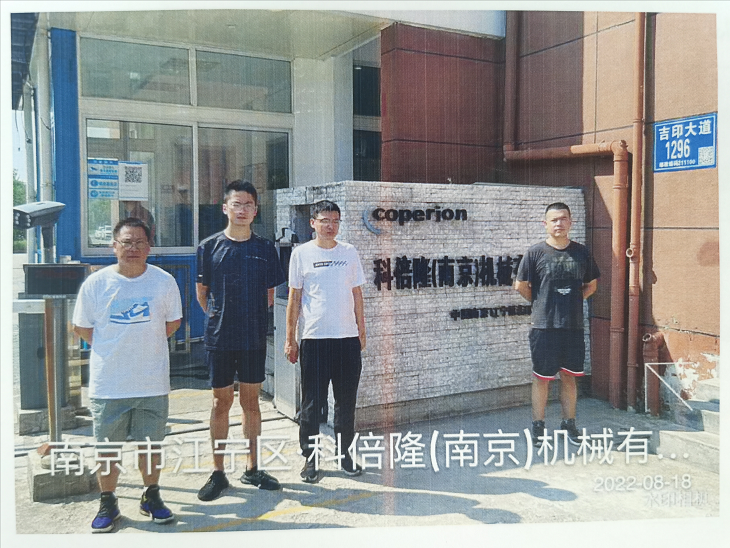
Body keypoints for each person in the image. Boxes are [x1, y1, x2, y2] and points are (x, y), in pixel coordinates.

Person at [72, 218, 183, 533]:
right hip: (109, 384)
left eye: (139, 242)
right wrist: (114, 348)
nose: (133, 248)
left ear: (149, 247)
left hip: (152, 382)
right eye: (126, 242)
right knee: (108, 449)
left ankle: (151, 495)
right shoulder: (96, 284)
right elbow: (82, 327)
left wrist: (141, 345)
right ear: (114, 246)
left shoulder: (163, 282)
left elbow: (172, 323)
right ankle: (108, 501)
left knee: (151, 446)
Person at [196, 180, 285, 501]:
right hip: (220, 338)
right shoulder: (208, 247)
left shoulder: (265, 248)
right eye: (237, 203)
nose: (243, 209)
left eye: (249, 204)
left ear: (256, 210)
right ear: (225, 208)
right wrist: (222, 317)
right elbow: (202, 294)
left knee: (251, 403)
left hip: (253, 338)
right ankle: (218, 472)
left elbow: (269, 295)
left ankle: (252, 468)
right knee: (221, 403)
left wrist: (250, 319)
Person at [284, 200, 367, 483]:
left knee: (346, 403)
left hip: (347, 340)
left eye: (335, 221)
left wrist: (362, 331)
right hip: (315, 339)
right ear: (313, 223)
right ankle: (310, 459)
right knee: (312, 403)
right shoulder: (301, 254)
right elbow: (294, 299)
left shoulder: (349, 252)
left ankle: (345, 456)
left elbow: (357, 294)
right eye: (324, 220)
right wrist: (290, 339)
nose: (330, 226)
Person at [514, 202, 600, 447]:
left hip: (572, 326)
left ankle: (569, 423)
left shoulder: (581, 252)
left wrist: (572, 301)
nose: (559, 223)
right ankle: (538, 425)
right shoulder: (535, 253)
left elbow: (591, 285)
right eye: (554, 220)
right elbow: (521, 286)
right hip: (543, 327)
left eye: (563, 219)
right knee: (542, 378)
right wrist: (542, 303)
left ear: (570, 222)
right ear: (545, 224)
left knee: (570, 377)